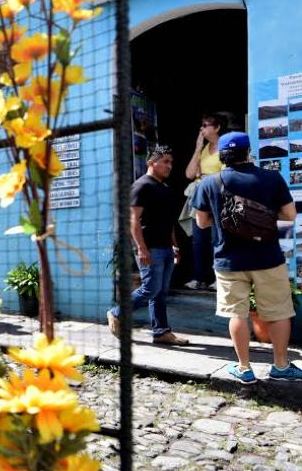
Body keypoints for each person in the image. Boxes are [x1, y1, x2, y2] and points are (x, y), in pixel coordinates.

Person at [193, 131, 302, 383]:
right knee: (277, 312)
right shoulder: (271, 178)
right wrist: (260, 215)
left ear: (222, 155)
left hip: (229, 260)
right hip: (268, 258)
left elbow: (201, 222)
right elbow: (290, 215)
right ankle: (281, 367)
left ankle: (244, 369)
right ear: (247, 152)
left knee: (237, 314)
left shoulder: (209, 183)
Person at [107, 147, 189, 345]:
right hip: (150, 247)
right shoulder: (141, 186)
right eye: (165, 161)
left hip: (166, 248)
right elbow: (133, 219)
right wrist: (141, 248)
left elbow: (169, 222)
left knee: (160, 293)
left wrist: (175, 246)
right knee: (150, 289)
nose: (169, 166)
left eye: (171, 162)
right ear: (151, 163)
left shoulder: (165, 188)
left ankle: (161, 332)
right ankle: (117, 312)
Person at [184, 113, 227, 290]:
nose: (202, 129)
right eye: (201, 125)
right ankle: (199, 277)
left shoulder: (225, 146)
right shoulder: (203, 148)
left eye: (205, 125)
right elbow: (189, 174)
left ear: (216, 128)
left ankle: (219, 278)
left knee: (218, 238)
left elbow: (225, 175)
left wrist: (203, 176)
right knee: (198, 239)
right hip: (201, 196)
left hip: (218, 196)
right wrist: (197, 148)